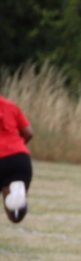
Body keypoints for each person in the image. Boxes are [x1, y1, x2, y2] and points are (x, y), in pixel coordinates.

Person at [0, 93, 33, 223]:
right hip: (19, 158)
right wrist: (14, 147)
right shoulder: (10, 106)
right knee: (14, 216)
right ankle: (19, 204)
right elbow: (29, 132)